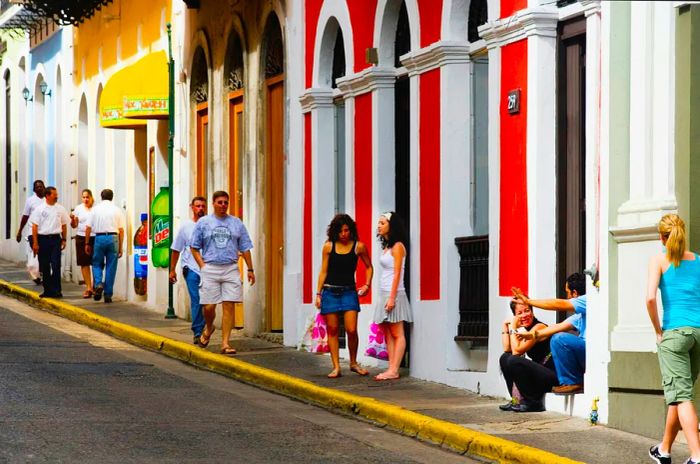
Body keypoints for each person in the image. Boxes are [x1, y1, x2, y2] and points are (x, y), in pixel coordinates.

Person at [646, 214, 700, 464]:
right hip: (698, 334)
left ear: (661, 237)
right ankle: (664, 449)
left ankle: (697, 456)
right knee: (679, 394)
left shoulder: (659, 260)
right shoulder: (698, 261)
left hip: (675, 334)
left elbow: (649, 299)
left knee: (682, 397)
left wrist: (659, 331)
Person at [190, 191, 254, 355]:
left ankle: (225, 342)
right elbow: (194, 246)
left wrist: (250, 268)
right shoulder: (204, 223)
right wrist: (202, 265)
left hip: (230, 267)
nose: (223, 205)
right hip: (210, 268)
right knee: (209, 307)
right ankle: (209, 327)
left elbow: (245, 247)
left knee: (229, 304)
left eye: (226, 202)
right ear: (213, 203)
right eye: (220, 202)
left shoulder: (236, 223)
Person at [315, 214, 373, 378]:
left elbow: (369, 267)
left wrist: (367, 284)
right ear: (335, 232)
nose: (344, 234)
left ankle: (353, 363)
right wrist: (318, 293)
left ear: (351, 230)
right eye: (340, 231)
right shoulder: (328, 247)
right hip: (330, 291)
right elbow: (323, 271)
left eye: (346, 230)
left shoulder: (358, 247)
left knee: (351, 329)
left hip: (349, 291)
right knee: (332, 329)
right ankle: (336, 366)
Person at [512, 272, 587, 394]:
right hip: (585, 353)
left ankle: (573, 383)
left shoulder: (587, 300)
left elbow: (558, 304)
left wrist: (528, 301)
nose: (567, 297)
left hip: (592, 353)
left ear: (575, 293)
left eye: (568, 293)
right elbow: (558, 327)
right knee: (557, 336)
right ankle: (571, 382)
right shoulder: (580, 315)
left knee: (559, 339)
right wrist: (533, 335)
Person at [372, 211, 412, 381]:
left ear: (391, 225)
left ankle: (395, 369)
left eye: (382, 223)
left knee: (397, 332)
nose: (378, 225)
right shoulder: (387, 247)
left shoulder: (398, 247)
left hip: (394, 293)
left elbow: (397, 274)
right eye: (378, 223)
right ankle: (391, 367)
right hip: (384, 292)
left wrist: (392, 298)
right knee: (388, 332)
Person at [499, 298, 557, 412]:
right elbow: (507, 349)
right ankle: (516, 400)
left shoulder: (539, 327)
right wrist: (505, 326)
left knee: (513, 360)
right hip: (540, 375)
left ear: (532, 311)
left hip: (551, 376)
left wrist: (513, 328)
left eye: (527, 311)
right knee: (505, 358)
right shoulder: (526, 331)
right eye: (519, 313)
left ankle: (533, 403)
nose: (525, 315)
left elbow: (517, 352)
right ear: (514, 316)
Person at [170, 196, 208, 345]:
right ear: (192, 207)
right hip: (191, 268)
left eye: (203, 206)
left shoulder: (210, 224)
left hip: (209, 268)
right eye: (197, 206)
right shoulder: (185, 226)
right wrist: (172, 270)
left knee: (209, 302)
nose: (200, 209)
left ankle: (206, 328)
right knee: (197, 300)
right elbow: (176, 249)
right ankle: (198, 331)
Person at [84, 189, 125, 303]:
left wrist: (87, 243)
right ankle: (108, 294)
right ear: (112, 197)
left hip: (99, 238)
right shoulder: (117, 210)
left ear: (101, 197)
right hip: (113, 238)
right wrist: (121, 246)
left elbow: (88, 228)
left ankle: (98, 284)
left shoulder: (95, 210)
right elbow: (121, 230)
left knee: (96, 263)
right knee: (111, 266)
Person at [29, 186, 69, 298]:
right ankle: (47, 290)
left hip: (56, 239)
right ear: (47, 196)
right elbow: (35, 227)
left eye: (56, 194)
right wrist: (35, 243)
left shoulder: (60, 209)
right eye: (54, 194)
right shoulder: (40, 209)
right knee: (45, 265)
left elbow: (64, 224)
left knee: (56, 265)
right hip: (43, 239)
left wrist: (64, 239)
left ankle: (57, 290)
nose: (56, 196)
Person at [16, 179, 45, 285]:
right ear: (34, 189)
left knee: (43, 254)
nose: (39, 188)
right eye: (37, 187)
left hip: (45, 231)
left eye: (41, 186)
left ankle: (41, 274)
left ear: (44, 187)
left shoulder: (47, 199)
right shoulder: (30, 200)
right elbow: (25, 216)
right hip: (32, 232)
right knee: (35, 253)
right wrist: (20, 231)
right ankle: (36, 274)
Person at [70, 189, 95, 298]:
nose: (85, 199)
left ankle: (95, 285)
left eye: (87, 197)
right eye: (84, 197)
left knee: (95, 262)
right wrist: (72, 219)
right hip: (81, 236)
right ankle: (88, 287)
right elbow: (74, 225)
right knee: (84, 263)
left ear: (91, 197)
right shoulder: (78, 208)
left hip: (94, 236)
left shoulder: (95, 208)